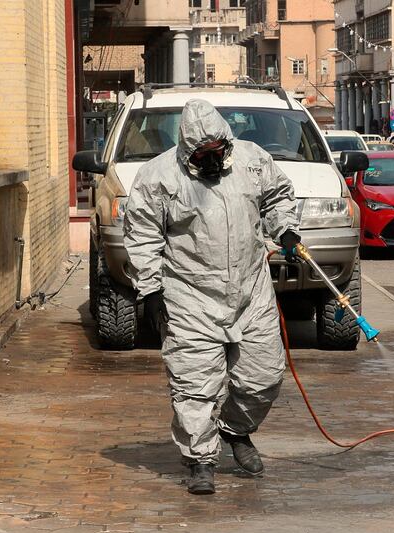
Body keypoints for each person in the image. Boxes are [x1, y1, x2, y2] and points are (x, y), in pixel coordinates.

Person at [123, 99, 300, 495]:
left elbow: (277, 197)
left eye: (217, 152)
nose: (212, 159)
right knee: (194, 384)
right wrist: (150, 289)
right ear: (188, 150)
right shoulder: (158, 177)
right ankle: (201, 460)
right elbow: (143, 233)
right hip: (189, 293)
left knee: (264, 377)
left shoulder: (252, 161)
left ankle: (236, 430)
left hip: (250, 290)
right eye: (202, 154)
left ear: (227, 142)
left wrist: (284, 227)